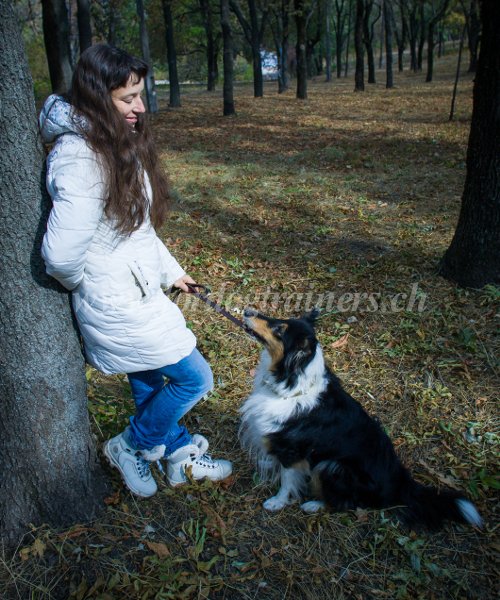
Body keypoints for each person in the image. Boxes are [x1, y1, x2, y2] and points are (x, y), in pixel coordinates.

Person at [39, 44, 232, 498]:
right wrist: (90, 284)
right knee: (194, 378)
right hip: (116, 300)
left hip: (136, 289)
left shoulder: (110, 143)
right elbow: (61, 256)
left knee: (148, 381)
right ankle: (131, 446)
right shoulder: (80, 157)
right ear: (96, 96)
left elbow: (134, 230)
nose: (140, 107)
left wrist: (173, 272)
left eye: (140, 95)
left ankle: (179, 456)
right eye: (128, 98)